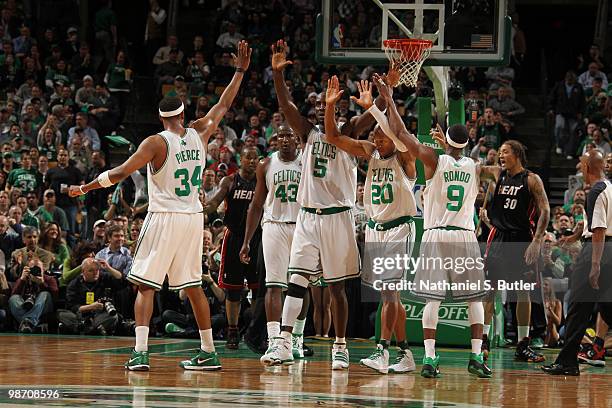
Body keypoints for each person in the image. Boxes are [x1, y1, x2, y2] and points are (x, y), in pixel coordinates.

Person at [68, 41, 252, 371]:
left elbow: (121, 172)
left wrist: (85, 186)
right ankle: (208, 351)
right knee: (194, 286)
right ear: (183, 114)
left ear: (160, 117)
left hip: (165, 216)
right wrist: (239, 71)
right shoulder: (201, 131)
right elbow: (224, 104)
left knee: (145, 284)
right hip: (193, 218)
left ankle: (140, 352)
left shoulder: (155, 142)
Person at [270, 40, 380, 370]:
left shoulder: (347, 131)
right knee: (296, 281)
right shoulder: (306, 133)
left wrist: (380, 96)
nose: (322, 109)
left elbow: (370, 120)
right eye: (318, 105)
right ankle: (285, 342)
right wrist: (277, 75)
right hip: (307, 215)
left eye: (329, 105)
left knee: (337, 289)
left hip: (338, 217)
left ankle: (340, 346)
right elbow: (287, 106)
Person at [379, 80, 494, 378]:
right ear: (466, 144)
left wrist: (390, 101)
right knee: (474, 300)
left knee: (433, 300)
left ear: (446, 144)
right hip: (465, 235)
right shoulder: (475, 166)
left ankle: (429, 358)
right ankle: (476, 357)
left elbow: (402, 134)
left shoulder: (432, 159)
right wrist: (447, 145)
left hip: (435, 234)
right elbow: (457, 158)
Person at [324, 75, 417, 374]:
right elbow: (335, 139)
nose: (377, 140)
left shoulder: (405, 158)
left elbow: (399, 134)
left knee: (389, 293)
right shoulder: (371, 152)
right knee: (393, 296)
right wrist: (330, 108)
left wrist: (383, 101)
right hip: (376, 229)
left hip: (399, 227)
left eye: (382, 137)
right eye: (374, 136)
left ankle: (382, 351)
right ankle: (406, 354)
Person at [239, 125, 312, 364]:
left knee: (300, 286)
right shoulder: (266, 165)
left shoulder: (307, 161)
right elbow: (257, 204)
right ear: (275, 140)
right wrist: (247, 240)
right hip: (273, 226)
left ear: (297, 139)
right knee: (273, 286)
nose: (285, 139)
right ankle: (274, 341)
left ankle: (297, 338)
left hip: (302, 225)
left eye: (290, 135)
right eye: (280, 135)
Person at [542, 150, 612, 375]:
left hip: (597, 250)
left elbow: (599, 229)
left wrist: (594, 264)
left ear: (588, 167)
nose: (579, 167)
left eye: (581, 163)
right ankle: (568, 360)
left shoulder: (596, 191)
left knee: (578, 307)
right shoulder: (609, 187)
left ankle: (567, 362)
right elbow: (594, 224)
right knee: (608, 309)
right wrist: (574, 237)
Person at [482, 140, 550, 363]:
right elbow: (472, 169)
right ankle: (481, 342)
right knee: (489, 291)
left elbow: (545, 210)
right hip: (499, 239)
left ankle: (523, 344)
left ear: (517, 154)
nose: (501, 156)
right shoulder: (496, 174)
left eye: (505, 152)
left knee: (523, 292)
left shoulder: (531, 179)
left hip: (522, 240)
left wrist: (538, 240)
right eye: (499, 153)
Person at [205, 146, 260, 350]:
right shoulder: (229, 181)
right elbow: (216, 201)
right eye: (248, 157)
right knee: (233, 290)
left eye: (255, 158)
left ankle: (255, 330)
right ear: (241, 159)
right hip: (234, 236)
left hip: (257, 237)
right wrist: (204, 208)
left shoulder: (262, 182)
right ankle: (233, 331)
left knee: (257, 288)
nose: (252, 162)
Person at [58, 258, 122, 335]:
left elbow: (121, 280)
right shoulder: (74, 284)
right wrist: (91, 307)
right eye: (91, 271)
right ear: (83, 271)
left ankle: (83, 329)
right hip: (81, 315)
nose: (95, 273)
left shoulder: (104, 277)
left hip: (99, 316)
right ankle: (93, 329)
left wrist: (108, 268)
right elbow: (73, 307)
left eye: (97, 270)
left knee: (113, 316)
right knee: (61, 314)